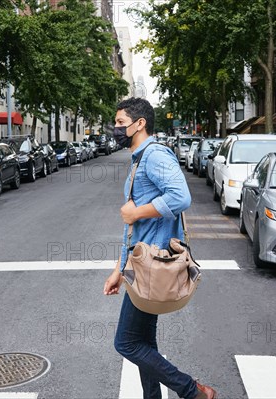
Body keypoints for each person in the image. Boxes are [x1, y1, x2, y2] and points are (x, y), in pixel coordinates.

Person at [103, 98, 217, 399]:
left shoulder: (154, 155)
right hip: (141, 262)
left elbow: (181, 197)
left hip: (150, 265)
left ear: (139, 124)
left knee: (126, 342)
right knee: (144, 341)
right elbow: (132, 229)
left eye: (119, 122)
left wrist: (136, 212)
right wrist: (118, 269)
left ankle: (193, 391)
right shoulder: (139, 158)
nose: (115, 128)